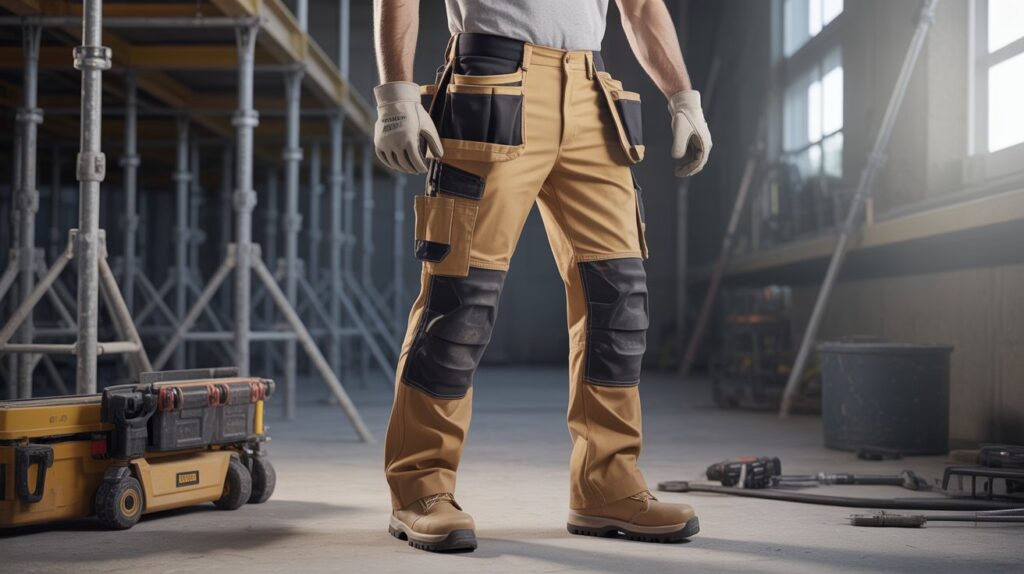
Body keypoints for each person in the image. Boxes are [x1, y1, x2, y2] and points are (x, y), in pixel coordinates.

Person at [372, 0, 711, 553]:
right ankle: (420, 487)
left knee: (619, 299)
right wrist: (395, 95)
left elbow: (642, 6)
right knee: (461, 298)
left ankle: (606, 484)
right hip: (492, 82)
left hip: (592, 91)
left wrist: (683, 97)